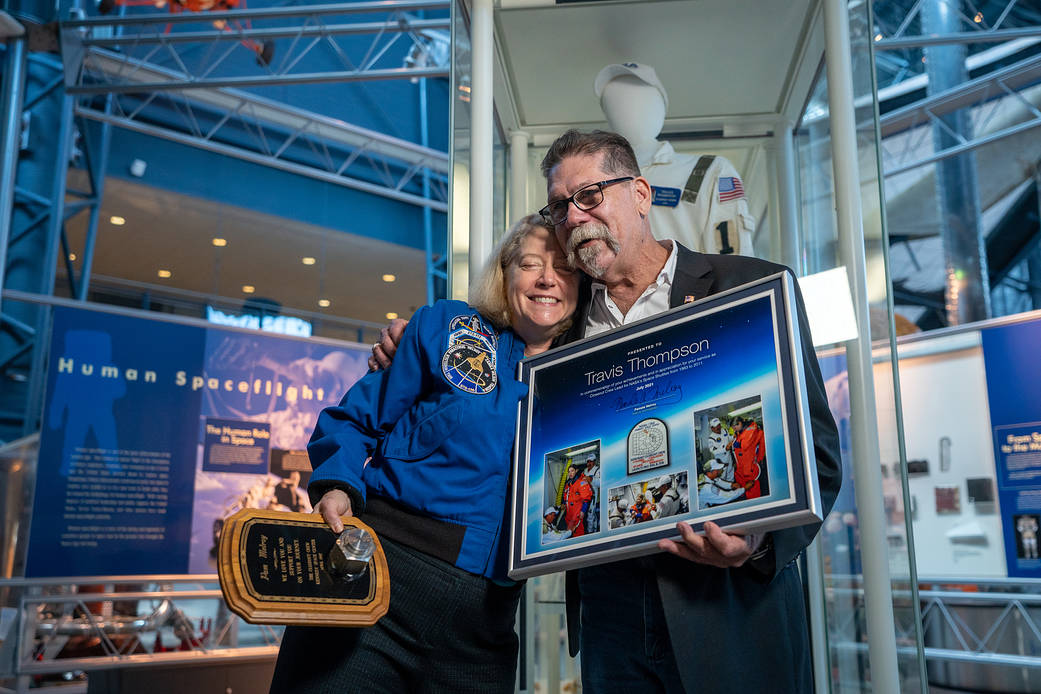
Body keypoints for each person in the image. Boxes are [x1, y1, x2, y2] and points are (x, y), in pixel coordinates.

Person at [370, 130, 842, 694]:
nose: (573, 217)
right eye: (559, 206)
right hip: (608, 624)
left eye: (590, 195)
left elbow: (819, 457)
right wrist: (416, 348)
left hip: (729, 617)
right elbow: (482, 368)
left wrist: (755, 543)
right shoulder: (558, 336)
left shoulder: (751, 287)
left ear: (640, 193)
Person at [268, 215, 578, 694]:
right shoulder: (448, 327)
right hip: (376, 585)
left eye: (564, 268)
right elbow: (354, 418)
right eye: (530, 264)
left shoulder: (591, 379)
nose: (546, 279)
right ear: (505, 274)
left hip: (485, 625)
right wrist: (335, 484)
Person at [595, 62, 756, 257]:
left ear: (660, 109)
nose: (628, 108)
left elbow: (734, 260)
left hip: (691, 286)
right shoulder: (594, 183)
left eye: (643, 99)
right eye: (615, 101)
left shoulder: (710, 172)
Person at [732, 417, 766, 499]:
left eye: (736, 425)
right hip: (742, 466)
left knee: (752, 488)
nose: (735, 428)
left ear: (742, 423)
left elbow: (744, 445)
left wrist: (735, 443)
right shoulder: (741, 432)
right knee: (744, 486)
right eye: (733, 427)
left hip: (749, 466)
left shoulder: (751, 430)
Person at [561, 463, 593, 538]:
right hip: (569, 514)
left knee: (579, 533)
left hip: (578, 514)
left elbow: (586, 498)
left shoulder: (582, 482)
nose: (570, 473)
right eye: (569, 472)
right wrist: (563, 503)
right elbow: (566, 496)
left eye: (572, 471)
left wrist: (583, 511)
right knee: (570, 533)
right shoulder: (568, 483)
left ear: (576, 471)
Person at [583, 453, 601, 534]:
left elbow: (600, 483)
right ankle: (594, 530)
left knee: (590, 515)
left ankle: (590, 532)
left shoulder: (598, 470)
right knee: (589, 515)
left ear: (594, 462)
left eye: (591, 461)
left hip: (594, 495)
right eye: (588, 461)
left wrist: (591, 479)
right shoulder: (585, 471)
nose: (589, 463)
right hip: (585, 496)